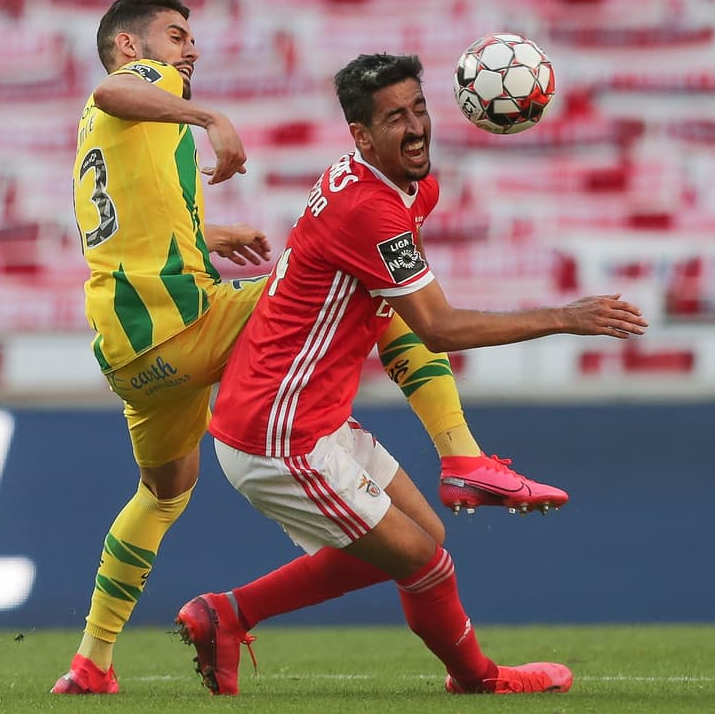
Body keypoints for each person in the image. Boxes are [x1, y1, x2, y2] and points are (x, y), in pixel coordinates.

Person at [55, 0, 569, 694]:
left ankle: (92, 660)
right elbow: (114, 88)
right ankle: (462, 454)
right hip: (187, 327)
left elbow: (128, 231)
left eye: (191, 40)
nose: (190, 50)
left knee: (163, 493)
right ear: (130, 47)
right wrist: (210, 115)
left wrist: (208, 237)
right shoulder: (143, 83)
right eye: (176, 37)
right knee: (366, 286)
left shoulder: (106, 141)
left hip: (129, 355)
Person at [175, 53, 648, 696]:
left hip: (309, 415)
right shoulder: (369, 208)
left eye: (419, 109)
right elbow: (437, 328)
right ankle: (479, 679)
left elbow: (395, 311)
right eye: (395, 117)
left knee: (422, 539)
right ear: (362, 136)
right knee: (424, 562)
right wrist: (565, 316)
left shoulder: (404, 187)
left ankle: (225, 615)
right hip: (277, 434)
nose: (416, 126)